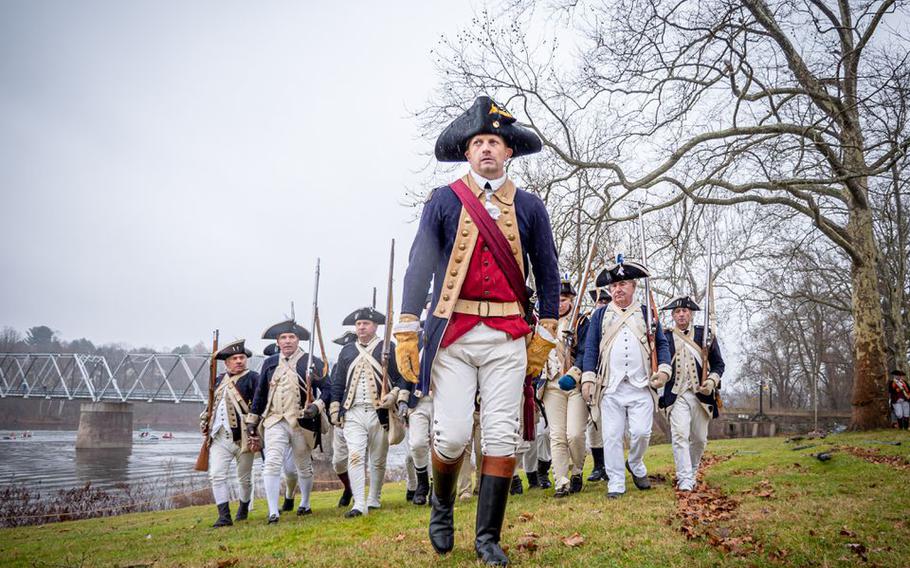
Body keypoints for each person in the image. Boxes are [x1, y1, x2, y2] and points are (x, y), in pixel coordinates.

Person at [393, 95, 560, 566]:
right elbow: (419, 267)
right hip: (454, 334)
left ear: (509, 152)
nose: (487, 149)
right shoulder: (443, 202)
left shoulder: (529, 206)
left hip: (508, 333)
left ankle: (488, 538)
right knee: (448, 437)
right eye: (478, 142)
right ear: (467, 152)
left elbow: (548, 273)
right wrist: (408, 326)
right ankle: (442, 507)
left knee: (504, 437)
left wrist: (544, 334)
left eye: (495, 142)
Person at [581, 259, 671, 499]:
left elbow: (661, 344)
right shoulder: (600, 315)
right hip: (610, 387)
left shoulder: (646, 313)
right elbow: (590, 348)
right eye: (613, 287)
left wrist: (663, 370)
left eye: (622, 284)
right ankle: (616, 482)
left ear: (633, 286)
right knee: (611, 436)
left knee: (642, 433)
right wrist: (588, 378)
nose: (617, 290)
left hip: (641, 385)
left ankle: (636, 463)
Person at [329, 307, 409, 517]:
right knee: (354, 456)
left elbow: (402, 377)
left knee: (377, 459)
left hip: (379, 413)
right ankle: (359, 504)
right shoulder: (347, 351)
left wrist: (393, 394)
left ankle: (374, 498)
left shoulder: (388, 347)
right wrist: (335, 406)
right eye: (359, 324)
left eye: (366, 323)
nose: (361, 327)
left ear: (375, 326)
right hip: (353, 412)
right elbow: (338, 382)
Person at [246, 319, 327, 524]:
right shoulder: (270, 362)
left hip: (301, 421)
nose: (288, 341)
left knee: (302, 465)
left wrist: (316, 406)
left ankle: (305, 503)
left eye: (291, 337)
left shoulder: (310, 361)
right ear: (278, 341)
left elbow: (327, 388)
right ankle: (273, 511)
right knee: (272, 463)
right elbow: (261, 394)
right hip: (275, 420)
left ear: (298, 339)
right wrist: (252, 420)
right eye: (283, 338)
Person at [659, 296, 725, 491]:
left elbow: (719, 364)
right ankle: (685, 478)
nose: (681, 314)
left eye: (685, 311)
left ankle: (692, 470)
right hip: (676, 395)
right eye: (677, 312)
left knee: (699, 439)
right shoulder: (665, 336)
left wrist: (712, 381)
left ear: (691, 314)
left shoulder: (705, 335)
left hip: (701, 396)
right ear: (672, 315)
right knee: (680, 435)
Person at [200, 339, 259, 527]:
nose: (239, 361)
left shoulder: (253, 378)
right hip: (219, 437)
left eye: (242, 357)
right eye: (235, 358)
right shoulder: (218, 380)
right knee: (216, 475)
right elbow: (212, 405)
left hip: (243, 437)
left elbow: (260, 405)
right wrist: (205, 419)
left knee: (244, 478)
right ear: (226, 363)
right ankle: (224, 516)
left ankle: (243, 507)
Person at [541, 279, 589, 497]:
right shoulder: (543, 324)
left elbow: (587, 351)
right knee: (557, 435)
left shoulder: (581, 322)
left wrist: (575, 373)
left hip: (575, 385)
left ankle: (577, 469)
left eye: (563, 300)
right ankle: (561, 480)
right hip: (551, 385)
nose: (559, 304)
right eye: (555, 300)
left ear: (571, 300)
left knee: (575, 435)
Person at [585, 287, 611, 483]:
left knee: (612, 424)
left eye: (605, 301)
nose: (601, 305)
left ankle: (612, 464)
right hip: (594, 377)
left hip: (613, 376)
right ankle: (598, 465)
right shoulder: (586, 322)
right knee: (594, 422)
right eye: (599, 302)